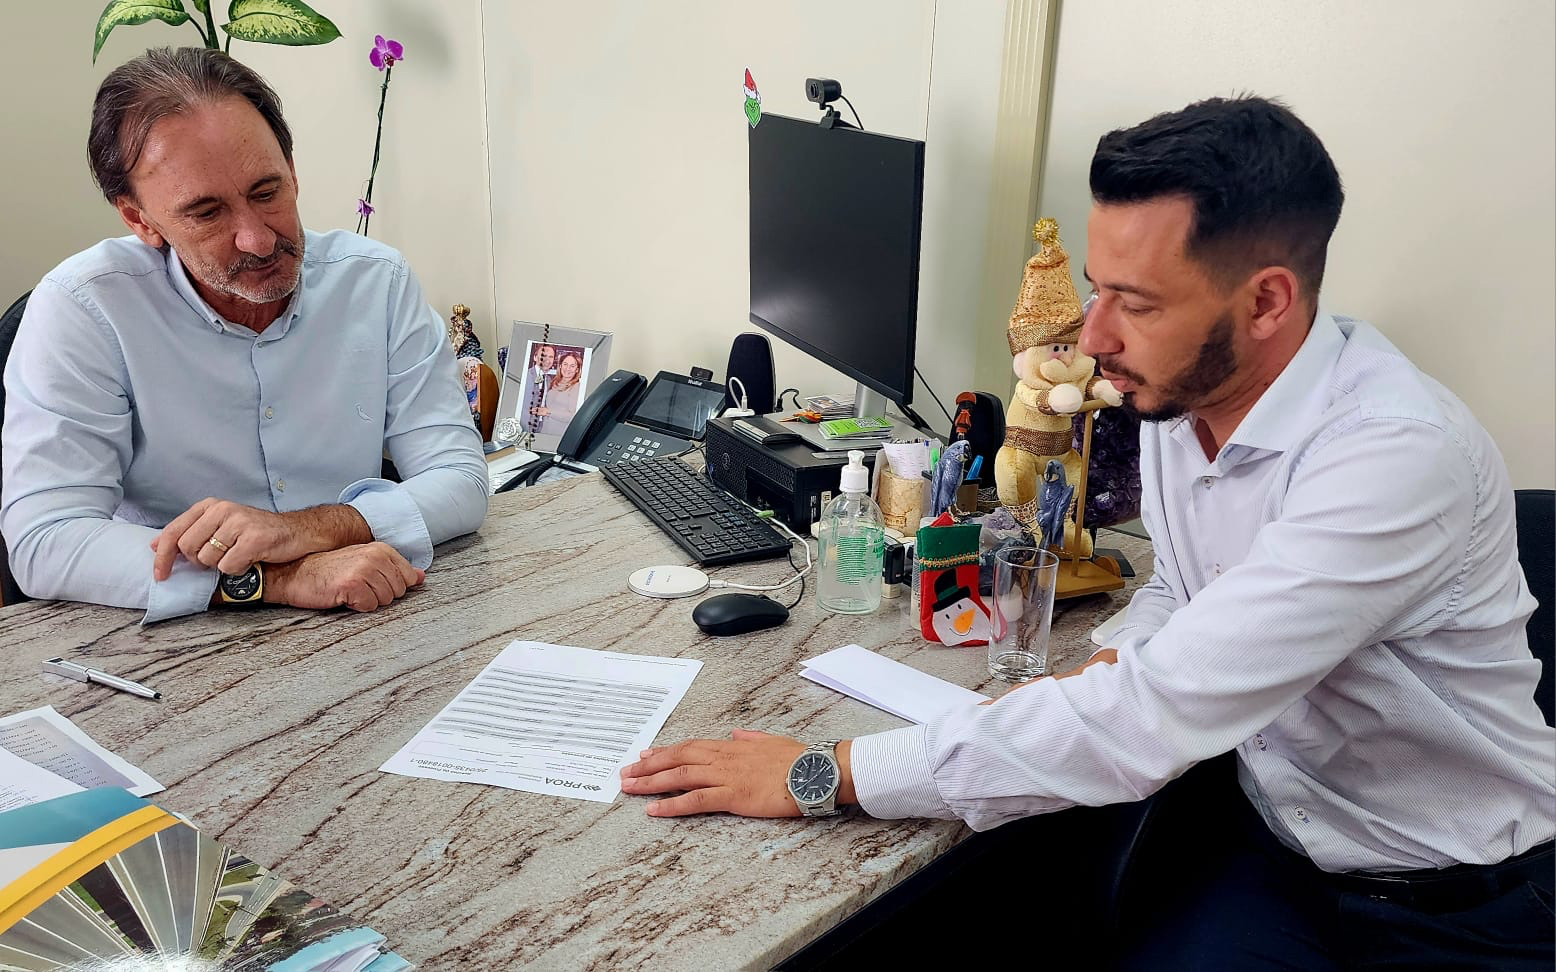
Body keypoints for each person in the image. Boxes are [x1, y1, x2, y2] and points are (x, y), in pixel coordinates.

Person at [619, 96, 1555, 967]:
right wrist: (1106, 661)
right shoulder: (1181, 397)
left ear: (1266, 302)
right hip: (1278, 848)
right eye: (1098, 290)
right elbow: (1181, 587)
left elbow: (1151, 718)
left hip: (1464, 900)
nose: (1095, 336)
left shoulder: (1395, 457)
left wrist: (824, 773)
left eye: (1135, 304)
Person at [1, 47, 487, 623]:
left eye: (266, 192)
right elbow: (45, 541)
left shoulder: (376, 282)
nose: (258, 239)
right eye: (207, 213)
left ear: (293, 171)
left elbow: (460, 479)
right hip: (170, 636)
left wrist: (303, 531)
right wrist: (278, 578)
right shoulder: (85, 307)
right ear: (139, 218)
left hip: (363, 605)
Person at [532, 351, 582, 436]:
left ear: (577, 370)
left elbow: (573, 416)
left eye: (572, 366)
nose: (568, 368)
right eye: (565, 364)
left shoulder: (577, 387)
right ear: (560, 365)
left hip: (559, 434)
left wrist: (548, 412)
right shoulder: (554, 382)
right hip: (544, 431)